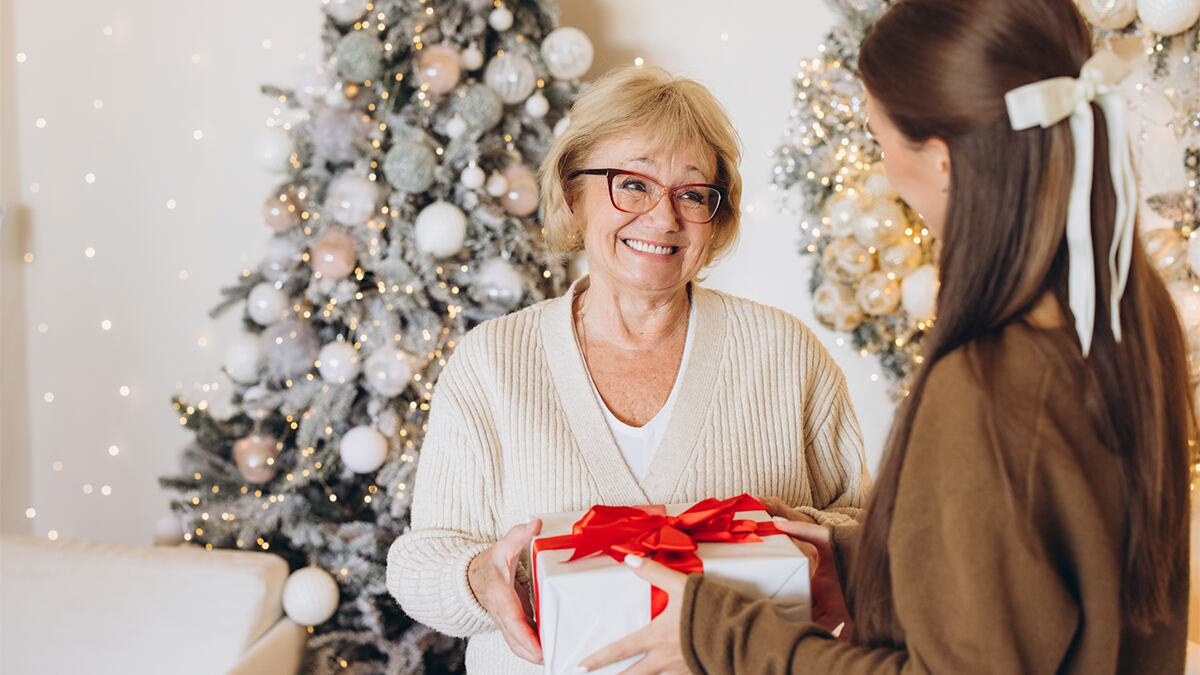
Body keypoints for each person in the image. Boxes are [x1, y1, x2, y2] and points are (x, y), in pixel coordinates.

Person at [580, 1, 1194, 673]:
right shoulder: (1128, 317)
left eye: (880, 140)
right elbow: (1038, 577)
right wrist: (867, 560)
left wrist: (722, 634)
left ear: (943, 161)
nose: (882, 170)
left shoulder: (986, 385)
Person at [386, 65, 871, 674]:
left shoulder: (786, 352)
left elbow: (873, 539)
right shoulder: (492, 361)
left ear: (715, 218)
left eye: (692, 194)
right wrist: (477, 577)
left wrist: (801, 537)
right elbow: (418, 562)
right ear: (572, 191)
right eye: (632, 185)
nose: (663, 218)